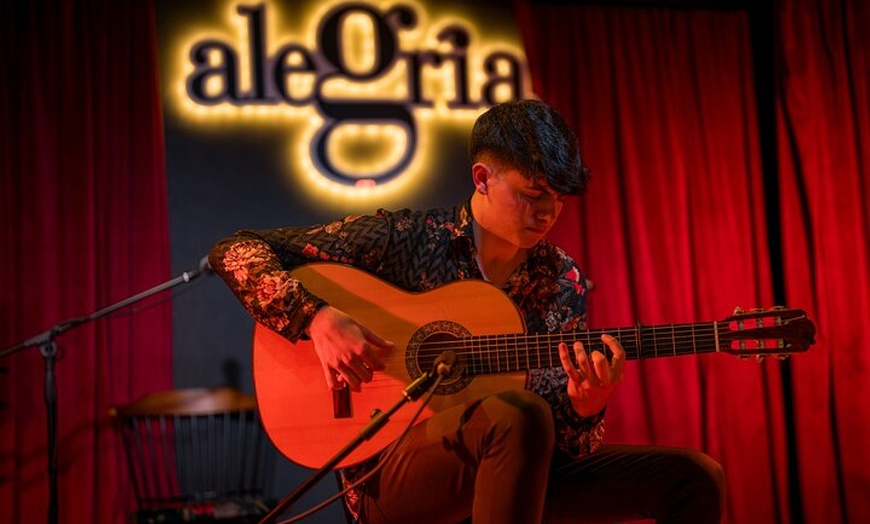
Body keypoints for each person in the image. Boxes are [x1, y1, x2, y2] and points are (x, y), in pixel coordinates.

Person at [209, 99, 726, 523]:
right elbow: (234, 250)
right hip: (390, 476)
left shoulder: (561, 280)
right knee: (517, 414)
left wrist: (585, 406)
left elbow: (562, 447)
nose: (548, 213)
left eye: (559, 199)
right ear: (482, 178)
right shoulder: (404, 240)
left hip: (511, 470)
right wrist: (316, 318)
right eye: (533, 194)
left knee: (693, 477)